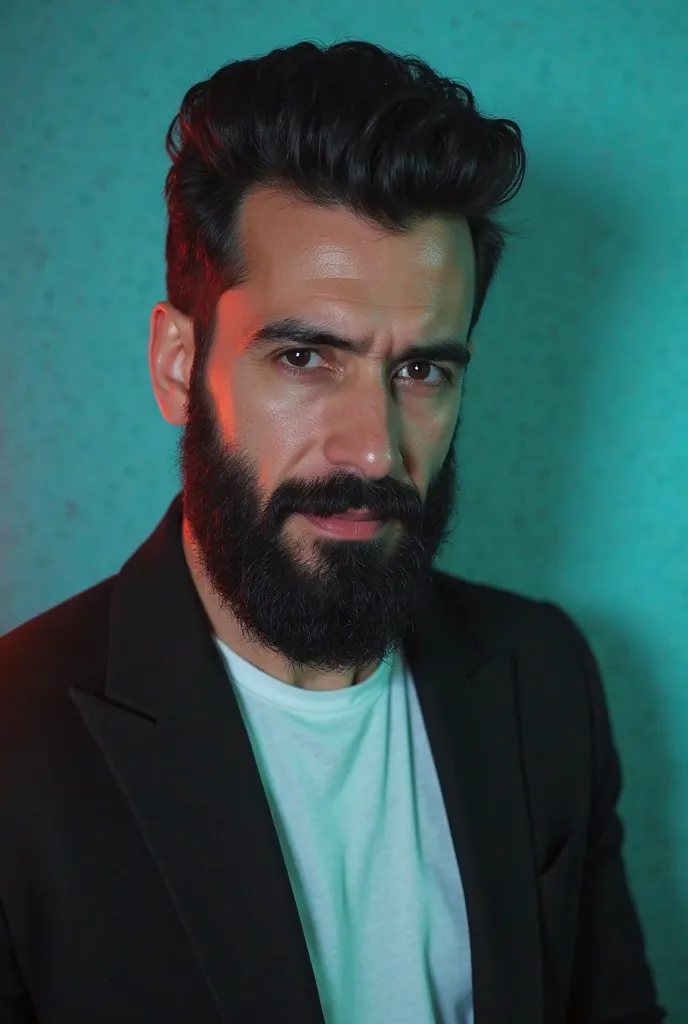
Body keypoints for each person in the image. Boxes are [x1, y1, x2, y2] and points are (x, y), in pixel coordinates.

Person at [0, 39, 664, 1024]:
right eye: (306, 356)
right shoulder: (17, 748)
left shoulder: (544, 674)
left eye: (421, 371)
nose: (370, 450)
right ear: (181, 366)